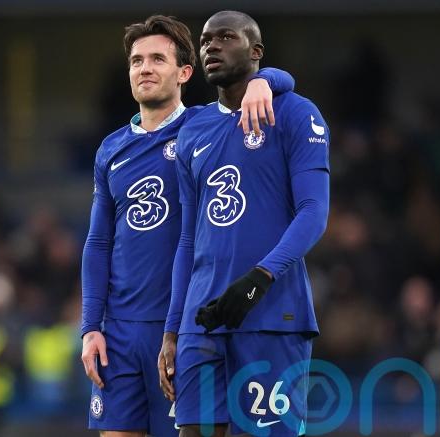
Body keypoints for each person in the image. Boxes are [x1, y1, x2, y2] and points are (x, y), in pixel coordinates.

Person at [80, 15, 296, 437]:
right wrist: (91, 327)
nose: (145, 68)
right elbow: (98, 242)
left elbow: (283, 80)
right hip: (119, 331)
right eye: (137, 61)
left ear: (184, 73)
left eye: (157, 59)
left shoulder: (203, 128)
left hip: (181, 327)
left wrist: (263, 80)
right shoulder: (110, 149)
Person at [158, 10, 330, 437]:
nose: (211, 46)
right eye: (205, 40)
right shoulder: (193, 129)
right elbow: (187, 239)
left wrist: (261, 276)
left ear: (256, 52)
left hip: (271, 314)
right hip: (202, 320)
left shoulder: (295, 112)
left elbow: (314, 212)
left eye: (226, 37)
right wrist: (173, 329)